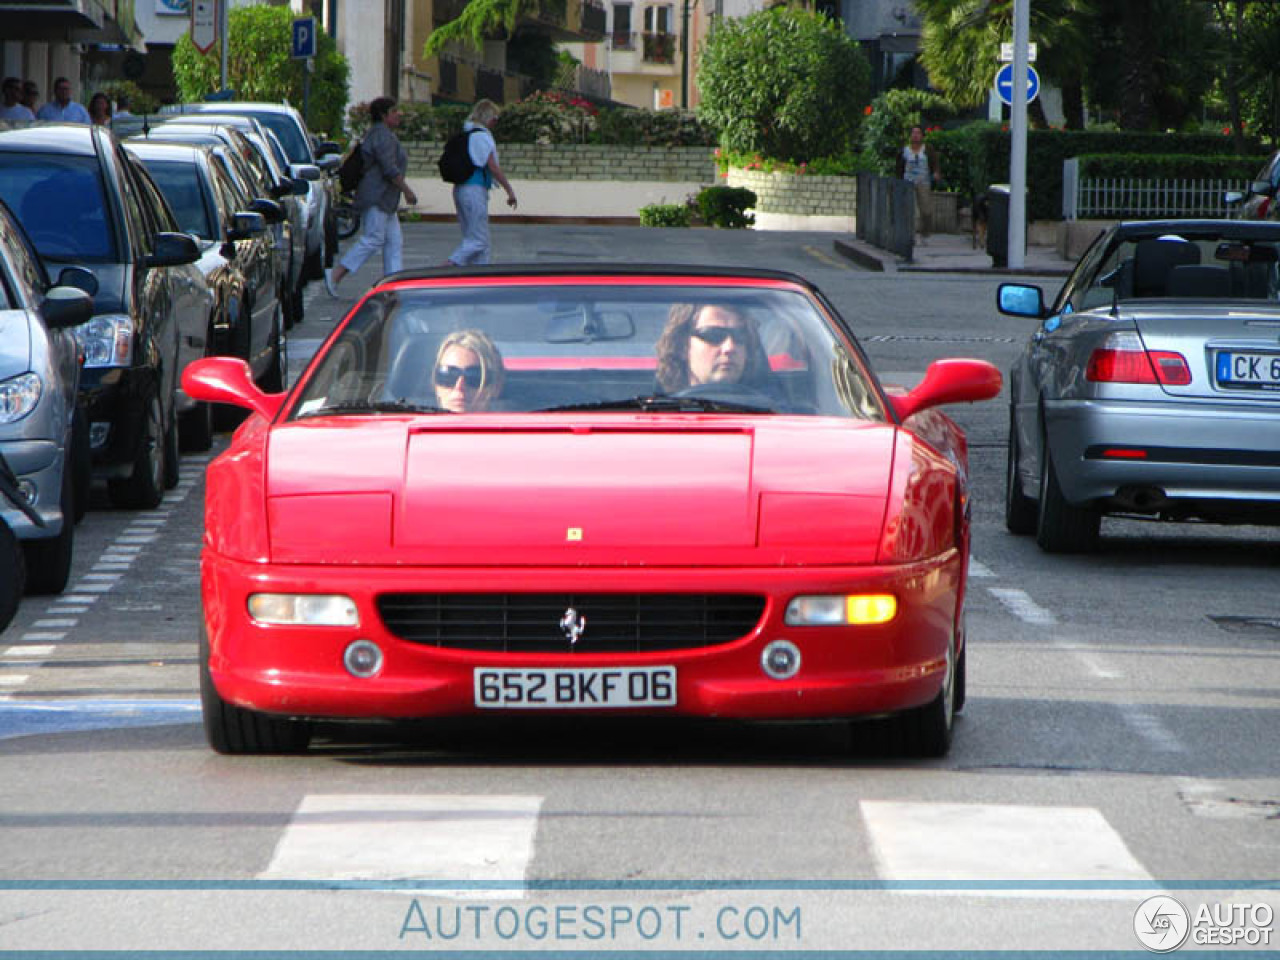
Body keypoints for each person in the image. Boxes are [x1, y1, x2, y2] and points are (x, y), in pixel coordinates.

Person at [324, 96, 417, 297]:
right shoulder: (382, 136)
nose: (399, 115)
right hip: (377, 196)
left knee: (394, 241)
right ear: (384, 116)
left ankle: (394, 285)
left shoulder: (380, 134)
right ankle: (336, 275)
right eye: (394, 112)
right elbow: (389, 169)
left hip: (385, 199)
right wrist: (408, 191)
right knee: (373, 238)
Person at [444, 99, 517, 267]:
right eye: (495, 118)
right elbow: (493, 167)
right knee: (478, 241)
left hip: (461, 189)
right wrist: (510, 191)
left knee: (475, 240)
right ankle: (447, 267)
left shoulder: (466, 134)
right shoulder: (482, 136)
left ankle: (478, 276)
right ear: (490, 118)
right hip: (474, 190)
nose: (496, 123)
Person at [654, 303, 771, 393]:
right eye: (713, 335)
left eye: (740, 335)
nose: (729, 347)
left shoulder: (778, 413)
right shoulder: (651, 415)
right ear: (682, 346)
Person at [433, 329, 505, 412]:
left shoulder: (516, 422)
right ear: (436, 385)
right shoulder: (418, 420)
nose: (459, 386)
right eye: (448, 376)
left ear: (496, 386)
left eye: (473, 377)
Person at [896, 124, 941, 243]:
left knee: (926, 210)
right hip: (908, 182)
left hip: (923, 182)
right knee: (909, 210)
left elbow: (935, 162)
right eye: (913, 133)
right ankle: (909, 235)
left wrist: (936, 172)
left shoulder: (927, 150)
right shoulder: (904, 150)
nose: (915, 136)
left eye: (918, 133)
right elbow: (899, 167)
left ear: (922, 136)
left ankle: (925, 234)